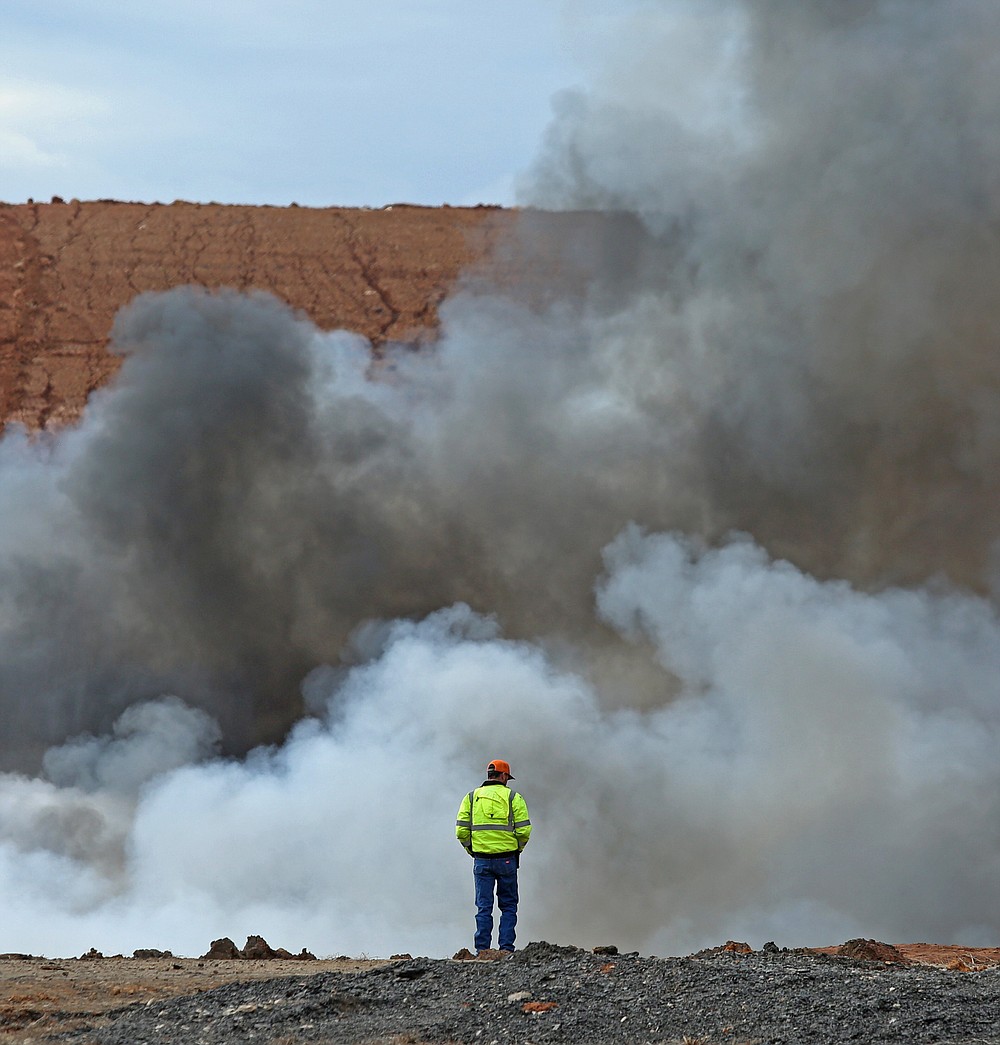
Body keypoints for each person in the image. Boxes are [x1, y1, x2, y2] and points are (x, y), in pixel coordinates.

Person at [455, 759, 532, 954]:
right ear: (504, 776)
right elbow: (524, 832)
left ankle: (483, 951)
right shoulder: (513, 797)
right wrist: (517, 850)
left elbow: (461, 832)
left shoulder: (471, 798)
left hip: (481, 860)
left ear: (489, 775)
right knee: (508, 906)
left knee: (483, 907)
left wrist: (471, 850)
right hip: (507, 860)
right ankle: (506, 949)